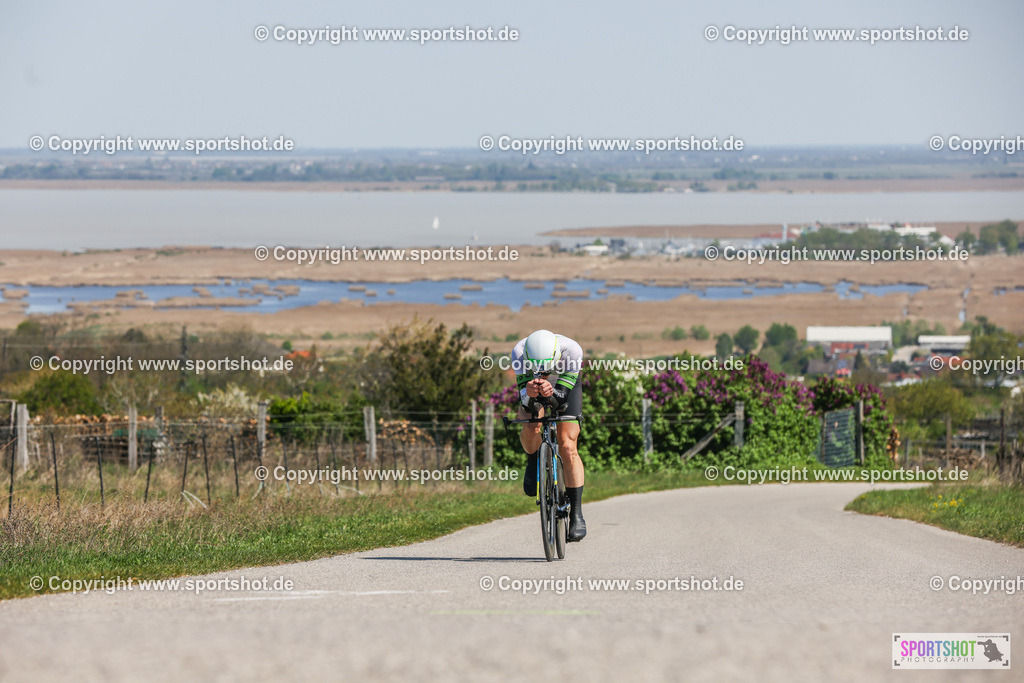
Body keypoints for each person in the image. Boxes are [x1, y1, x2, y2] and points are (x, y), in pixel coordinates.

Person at [510, 329, 586, 542]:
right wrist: (530, 394)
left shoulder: (572, 350)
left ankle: (577, 515)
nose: (542, 372)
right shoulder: (518, 351)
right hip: (534, 387)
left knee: (568, 444)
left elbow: (562, 400)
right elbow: (525, 401)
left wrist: (551, 392)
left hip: (563, 384)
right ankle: (534, 457)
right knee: (532, 425)